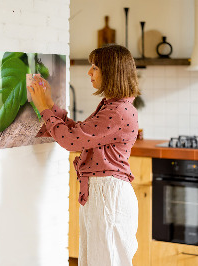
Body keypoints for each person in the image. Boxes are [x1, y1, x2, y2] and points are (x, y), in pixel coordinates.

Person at [28, 44, 140, 266]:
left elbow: (71, 141)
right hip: (103, 193)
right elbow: (79, 133)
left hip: (108, 196)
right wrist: (50, 104)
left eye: (95, 67)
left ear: (111, 72)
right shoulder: (113, 106)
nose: (89, 72)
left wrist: (43, 108)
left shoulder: (117, 111)